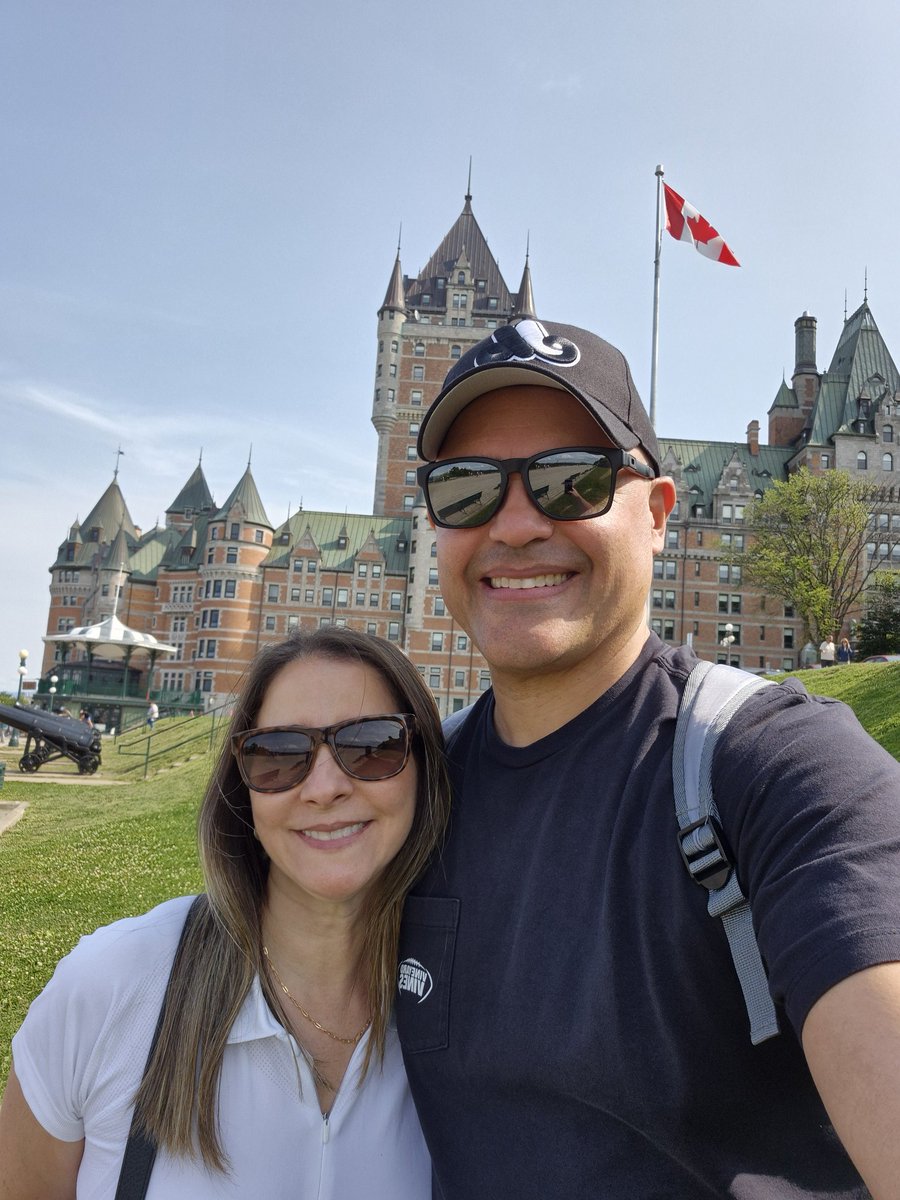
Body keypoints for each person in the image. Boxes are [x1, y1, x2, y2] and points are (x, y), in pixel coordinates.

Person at [396, 316, 900, 1198]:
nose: (514, 525)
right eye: (467, 489)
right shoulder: (402, 797)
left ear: (660, 514)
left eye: (572, 481)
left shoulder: (779, 767)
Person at [0, 627, 450, 1199]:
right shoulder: (110, 988)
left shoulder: (470, 1016)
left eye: (372, 745)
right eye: (279, 754)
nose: (324, 787)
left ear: (423, 767)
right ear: (244, 789)